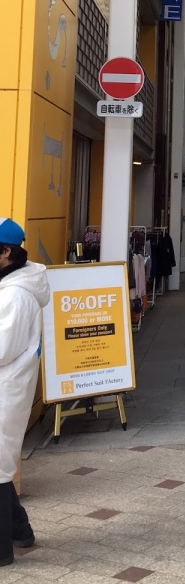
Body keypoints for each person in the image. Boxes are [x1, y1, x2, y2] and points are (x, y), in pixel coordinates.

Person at [0, 219, 50, 567]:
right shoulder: (12, 285)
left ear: (5, 253)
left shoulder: (16, 296)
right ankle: (20, 531)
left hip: (6, 392)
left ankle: (3, 551)